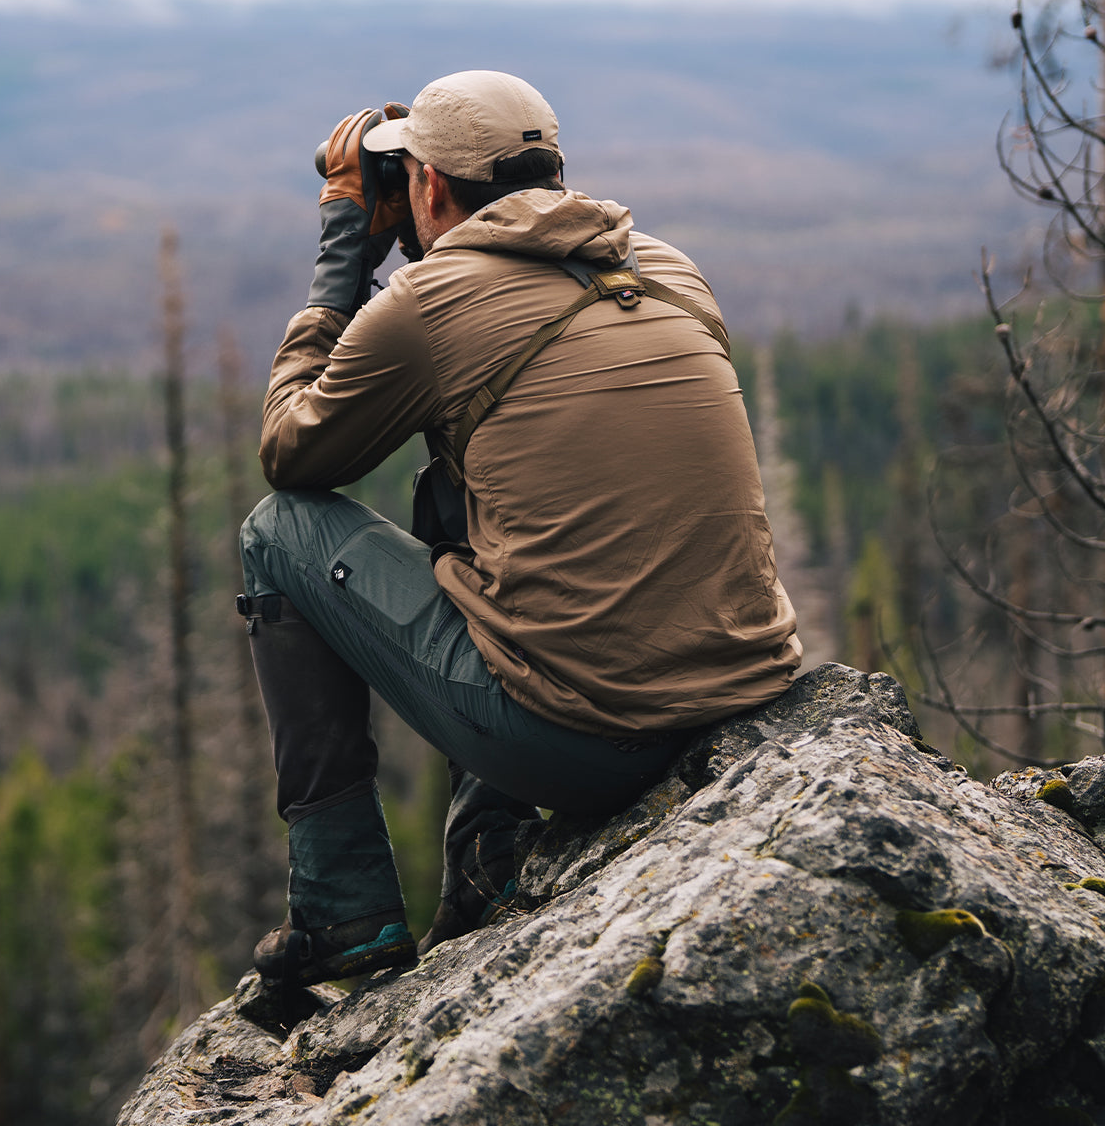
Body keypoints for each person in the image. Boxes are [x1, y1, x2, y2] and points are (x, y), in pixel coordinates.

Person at [237, 70, 801, 1002]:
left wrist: (343, 259)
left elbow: (292, 455)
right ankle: (488, 854)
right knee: (457, 489)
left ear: (427, 188)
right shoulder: (661, 265)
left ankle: (344, 915)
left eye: (407, 175)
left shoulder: (428, 307)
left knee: (278, 532)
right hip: (736, 696)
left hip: (589, 743)